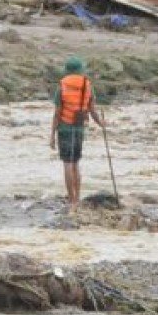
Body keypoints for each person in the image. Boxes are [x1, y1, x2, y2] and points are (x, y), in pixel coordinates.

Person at [49, 56, 103, 211]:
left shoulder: (62, 87)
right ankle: (77, 198)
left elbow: (57, 113)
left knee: (67, 163)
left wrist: (52, 135)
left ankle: (71, 199)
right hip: (79, 128)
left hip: (64, 129)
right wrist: (101, 124)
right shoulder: (88, 86)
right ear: (80, 70)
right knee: (76, 164)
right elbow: (92, 110)